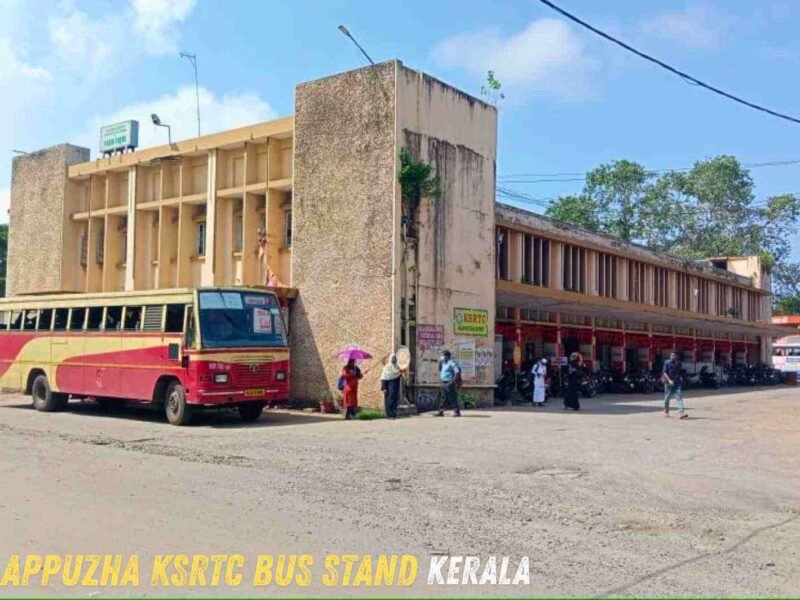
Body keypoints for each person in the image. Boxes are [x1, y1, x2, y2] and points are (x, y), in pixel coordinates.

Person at [436, 350, 461, 417]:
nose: (442, 357)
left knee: (452, 397)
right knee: (443, 398)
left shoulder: (451, 363)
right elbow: (440, 369)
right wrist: (440, 362)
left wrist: (452, 382)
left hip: (449, 382)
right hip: (443, 382)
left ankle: (456, 412)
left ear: (447, 356)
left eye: (443, 355)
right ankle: (441, 411)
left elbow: (457, 373)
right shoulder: (443, 363)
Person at [662, 351, 687, 419]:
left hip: (677, 382)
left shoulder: (679, 363)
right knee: (667, 397)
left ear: (677, 356)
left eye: (674, 355)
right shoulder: (667, 362)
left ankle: (681, 413)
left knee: (679, 397)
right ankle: (666, 412)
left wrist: (681, 378)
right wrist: (669, 380)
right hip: (668, 382)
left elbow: (679, 372)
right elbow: (664, 372)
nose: (672, 356)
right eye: (671, 355)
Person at [380, 354, 402, 419]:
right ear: (390, 359)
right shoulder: (386, 367)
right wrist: (384, 387)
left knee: (395, 400)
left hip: (396, 387)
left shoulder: (397, 367)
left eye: (395, 358)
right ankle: (389, 415)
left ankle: (394, 414)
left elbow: (399, 376)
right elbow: (383, 377)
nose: (394, 359)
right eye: (393, 358)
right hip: (388, 387)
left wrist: (402, 372)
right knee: (389, 400)